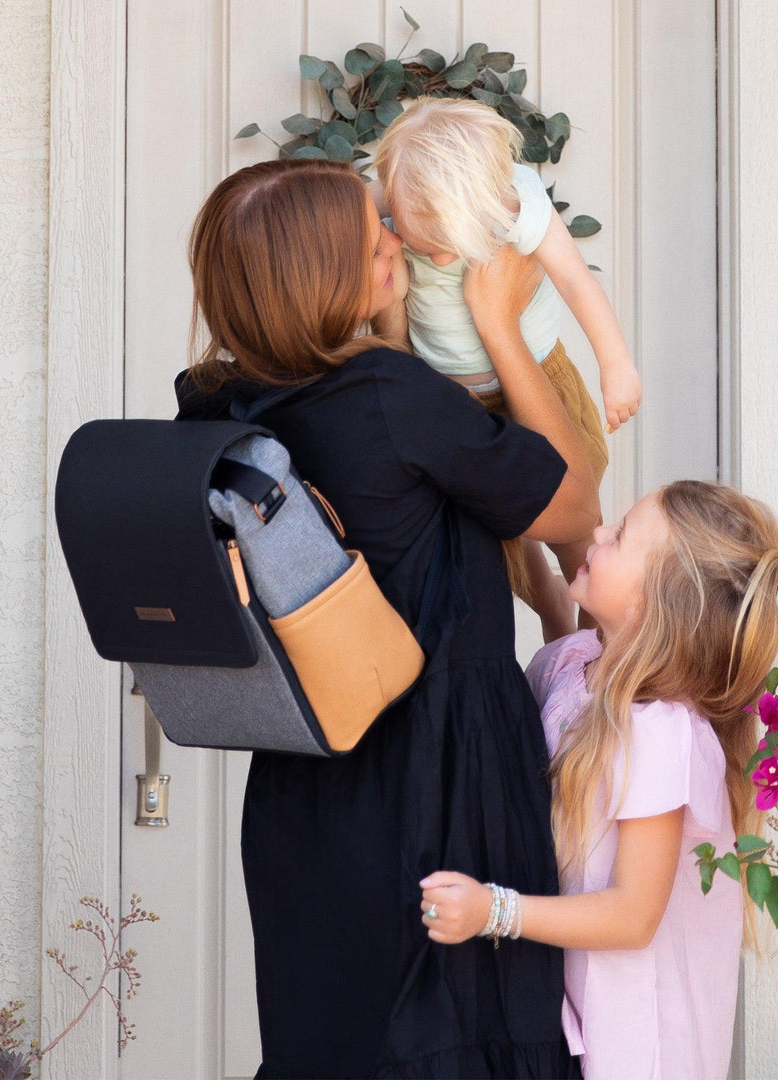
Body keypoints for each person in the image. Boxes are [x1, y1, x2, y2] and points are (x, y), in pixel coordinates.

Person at [176, 157, 600, 1078]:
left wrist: (394, 328)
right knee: (460, 1038)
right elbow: (572, 508)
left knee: (334, 1039)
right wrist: (497, 319)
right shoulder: (394, 400)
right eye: (377, 240)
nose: (398, 241)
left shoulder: (221, 405)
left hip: (310, 783)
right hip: (441, 771)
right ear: (325, 279)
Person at [418, 481, 778, 1079]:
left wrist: (494, 912)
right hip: (584, 1023)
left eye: (619, 538)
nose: (597, 534)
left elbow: (633, 914)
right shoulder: (575, 661)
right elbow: (557, 620)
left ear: (652, 603)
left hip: (643, 1046)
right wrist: (493, 502)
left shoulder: (661, 734)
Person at [374, 98, 642, 638]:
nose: (439, 260)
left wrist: (616, 365)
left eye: (448, 246)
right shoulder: (395, 187)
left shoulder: (518, 205)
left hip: (543, 378)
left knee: (577, 535)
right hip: (456, 399)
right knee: (505, 544)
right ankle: (550, 612)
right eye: (422, 243)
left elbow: (576, 282)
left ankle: (594, 648)